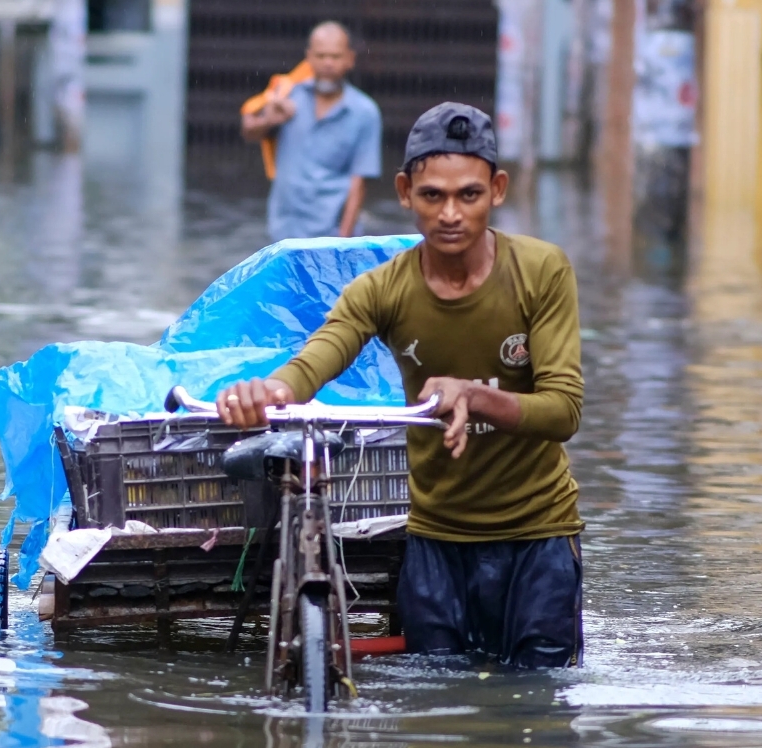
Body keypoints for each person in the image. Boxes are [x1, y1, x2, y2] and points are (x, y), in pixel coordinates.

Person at [217, 103, 585, 669]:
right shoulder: (382, 289)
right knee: (435, 707)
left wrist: (472, 394)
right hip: (437, 539)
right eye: (433, 195)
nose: (451, 214)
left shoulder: (542, 271)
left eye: (469, 195)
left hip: (538, 536)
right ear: (405, 192)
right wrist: (270, 392)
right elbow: (321, 354)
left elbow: (564, 410)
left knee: (538, 710)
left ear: (499, 191)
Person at [240, 22, 384, 241]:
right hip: (283, 231)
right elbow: (249, 132)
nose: (328, 63)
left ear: (350, 59)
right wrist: (269, 120)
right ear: (308, 57)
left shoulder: (364, 112)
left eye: (335, 57)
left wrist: (342, 243)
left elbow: (359, 183)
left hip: (330, 234)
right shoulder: (286, 95)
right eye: (321, 56)